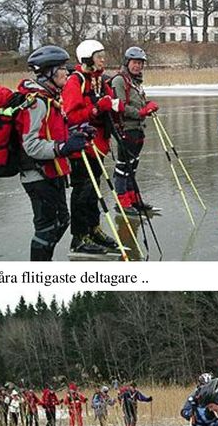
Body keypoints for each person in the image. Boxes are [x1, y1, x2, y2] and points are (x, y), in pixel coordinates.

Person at [16, 45, 83, 261]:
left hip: (53, 172)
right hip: (38, 176)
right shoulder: (36, 102)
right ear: (49, 72)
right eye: (62, 68)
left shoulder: (52, 98)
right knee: (46, 228)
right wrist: (63, 148)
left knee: (62, 221)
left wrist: (77, 133)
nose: (67, 72)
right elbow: (31, 144)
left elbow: (54, 131)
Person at [63, 39, 125, 255]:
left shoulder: (101, 81)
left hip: (99, 147)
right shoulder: (75, 82)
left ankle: (93, 229)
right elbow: (70, 117)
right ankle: (79, 238)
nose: (103, 59)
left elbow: (110, 107)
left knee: (94, 191)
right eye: (99, 56)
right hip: (82, 147)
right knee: (82, 192)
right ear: (88, 58)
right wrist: (96, 110)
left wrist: (116, 108)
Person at [108, 46, 159, 216]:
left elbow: (137, 102)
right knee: (123, 167)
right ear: (127, 62)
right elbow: (120, 106)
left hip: (138, 129)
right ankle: (122, 202)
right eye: (135, 62)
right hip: (126, 129)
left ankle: (134, 198)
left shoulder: (135, 82)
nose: (138, 66)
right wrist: (141, 112)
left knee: (133, 166)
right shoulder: (119, 81)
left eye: (140, 63)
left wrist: (148, 106)